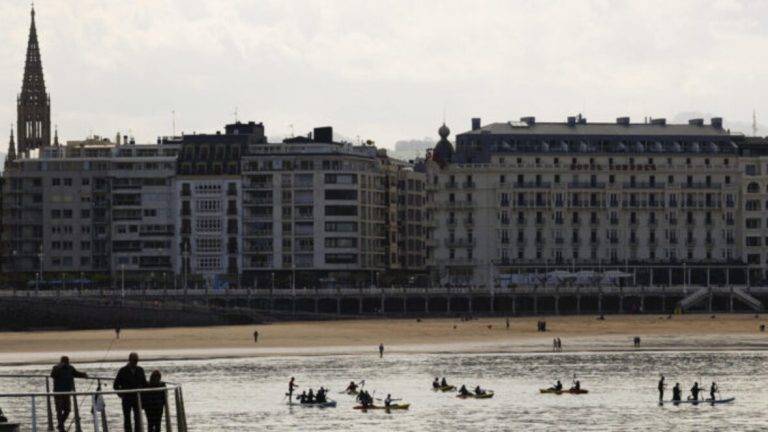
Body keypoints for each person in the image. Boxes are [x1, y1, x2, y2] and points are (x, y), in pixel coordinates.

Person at [51, 356, 88, 432]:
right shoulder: (56, 368)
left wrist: (84, 375)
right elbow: (52, 375)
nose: (66, 363)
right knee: (59, 410)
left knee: (67, 410)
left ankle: (60, 425)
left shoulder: (70, 368)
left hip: (67, 392)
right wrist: (59, 367)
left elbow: (76, 373)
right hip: (58, 392)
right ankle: (61, 426)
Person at [113, 352, 147, 432]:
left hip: (137, 398)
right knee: (127, 418)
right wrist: (120, 394)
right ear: (130, 360)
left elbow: (144, 384)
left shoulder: (140, 370)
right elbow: (115, 385)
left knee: (138, 418)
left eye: (137, 360)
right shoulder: (123, 370)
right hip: (127, 398)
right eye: (134, 360)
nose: (136, 362)